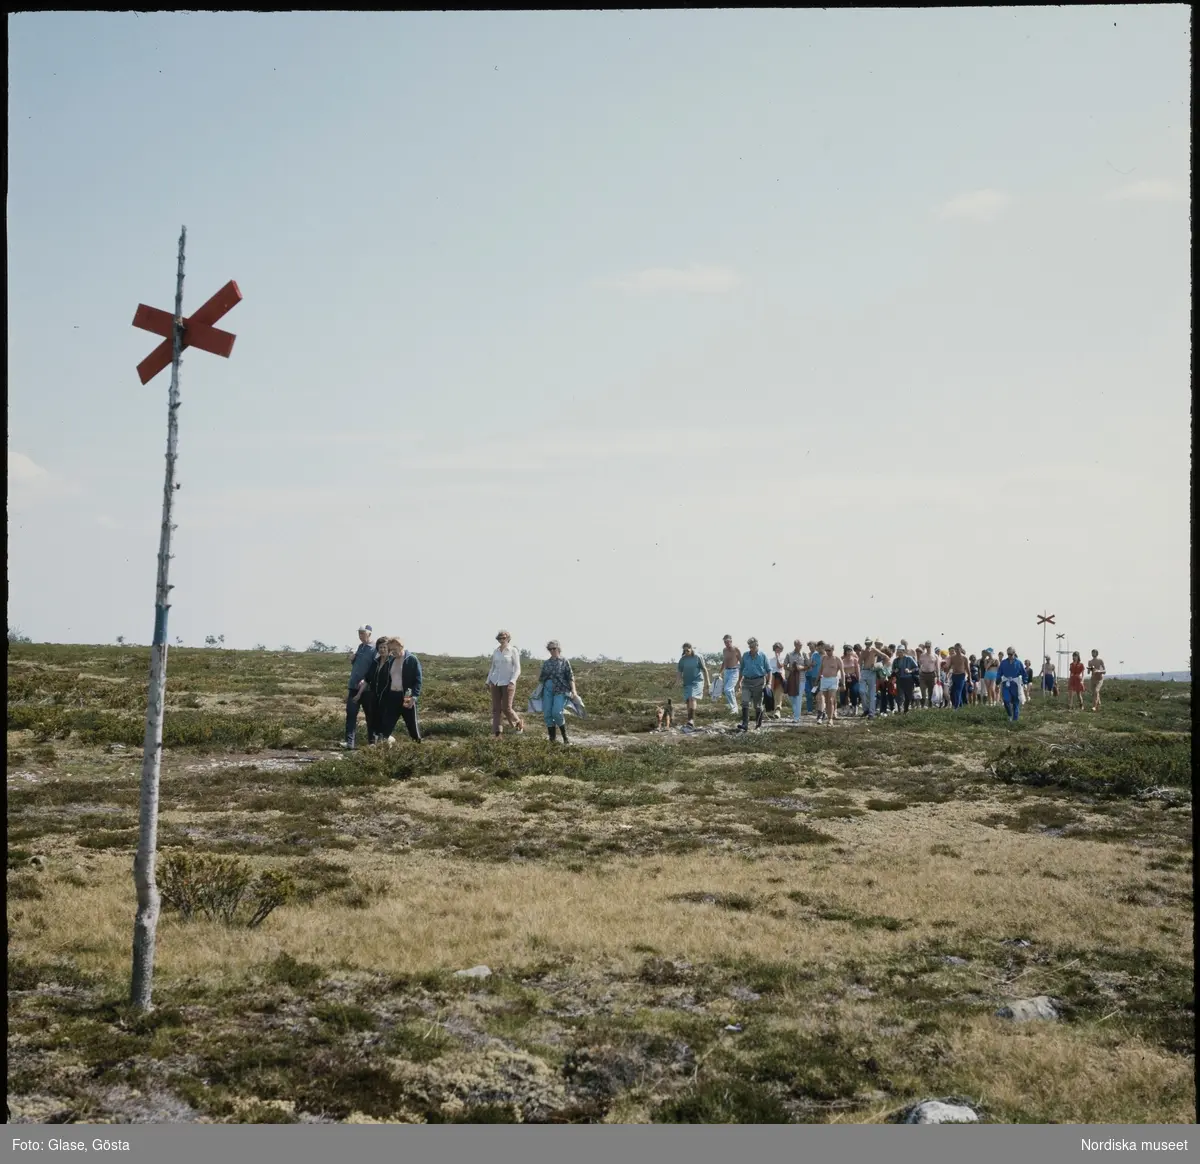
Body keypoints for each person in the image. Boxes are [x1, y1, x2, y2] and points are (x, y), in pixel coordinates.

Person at [378, 637, 423, 742]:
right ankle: (382, 748)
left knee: (412, 724)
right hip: (393, 696)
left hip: (407, 696)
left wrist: (414, 696)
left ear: (401, 646)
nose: (393, 652)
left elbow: (418, 679)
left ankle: (417, 746)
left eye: (394, 649)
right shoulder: (391, 660)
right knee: (387, 723)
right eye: (391, 650)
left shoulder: (411, 659)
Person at [342, 624, 376, 750]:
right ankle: (349, 743)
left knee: (370, 716)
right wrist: (352, 659)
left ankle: (372, 743)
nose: (360, 636)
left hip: (367, 689)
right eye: (359, 633)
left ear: (369, 634)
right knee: (351, 714)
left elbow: (374, 668)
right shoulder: (360, 647)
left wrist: (366, 679)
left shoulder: (374, 649)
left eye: (363, 633)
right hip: (353, 686)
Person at [538, 640, 578, 743]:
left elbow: (570, 676)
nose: (552, 651)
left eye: (554, 648)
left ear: (558, 648)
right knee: (547, 714)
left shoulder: (564, 661)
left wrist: (574, 690)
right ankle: (552, 740)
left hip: (561, 689)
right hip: (548, 690)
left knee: (557, 712)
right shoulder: (546, 663)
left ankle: (565, 737)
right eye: (550, 649)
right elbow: (541, 678)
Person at [486, 630, 524, 737]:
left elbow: (517, 668)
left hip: (508, 682)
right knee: (496, 709)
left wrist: (513, 681)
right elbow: (493, 667)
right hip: (495, 682)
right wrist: (488, 681)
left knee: (506, 708)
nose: (501, 640)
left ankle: (518, 723)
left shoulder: (513, 651)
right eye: (499, 638)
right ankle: (497, 733)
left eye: (503, 638)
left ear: (508, 638)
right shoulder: (496, 651)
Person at [738, 637, 771, 732]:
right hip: (747, 681)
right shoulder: (745, 655)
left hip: (759, 682)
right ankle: (745, 724)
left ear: (757, 645)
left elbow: (769, 670)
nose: (751, 648)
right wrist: (739, 682)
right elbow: (741, 669)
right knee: (745, 703)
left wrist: (769, 683)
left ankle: (758, 725)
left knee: (757, 705)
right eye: (750, 646)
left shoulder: (763, 655)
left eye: (753, 646)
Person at [361, 634, 390, 743]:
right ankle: (372, 742)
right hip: (374, 696)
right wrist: (359, 694)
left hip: (387, 697)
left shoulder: (391, 662)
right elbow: (368, 679)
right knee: (372, 719)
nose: (382, 650)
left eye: (384, 647)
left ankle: (383, 741)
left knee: (384, 721)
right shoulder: (376, 662)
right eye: (380, 647)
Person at [677, 643, 710, 732]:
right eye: (685, 651)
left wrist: (708, 682)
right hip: (687, 682)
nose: (686, 652)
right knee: (688, 701)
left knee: (692, 698)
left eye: (688, 650)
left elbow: (704, 669)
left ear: (691, 649)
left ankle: (691, 720)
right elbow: (680, 671)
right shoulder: (682, 660)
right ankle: (690, 721)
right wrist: (678, 681)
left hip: (697, 681)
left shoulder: (697, 657)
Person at [817, 641, 845, 724]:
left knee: (831, 700)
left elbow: (842, 672)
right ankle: (821, 716)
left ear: (833, 649)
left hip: (833, 680)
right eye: (826, 650)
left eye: (829, 650)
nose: (827, 652)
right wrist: (816, 680)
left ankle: (830, 719)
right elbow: (821, 670)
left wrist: (843, 684)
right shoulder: (823, 658)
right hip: (824, 680)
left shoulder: (837, 659)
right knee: (822, 699)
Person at [997, 646, 1025, 723]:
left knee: (1016, 702)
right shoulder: (1003, 663)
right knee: (1006, 700)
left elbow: (1023, 673)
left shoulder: (1018, 663)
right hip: (1006, 683)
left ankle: (1015, 720)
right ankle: (1010, 715)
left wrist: (1025, 682)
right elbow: (999, 672)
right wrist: (997, 680)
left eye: (1011, 654)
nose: (1009, 656)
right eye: (1008, 654)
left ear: (1014, 653)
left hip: (1015, 684)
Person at [783, 639, 807, 722]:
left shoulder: (804, 654)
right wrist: (791, 668)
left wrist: (801, 667)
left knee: (798, 697)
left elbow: (808, 666)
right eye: (798, 645)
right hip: (791, 678)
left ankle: (796, 717)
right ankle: (796, 712)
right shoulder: (789, 654)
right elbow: (785, 665)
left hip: (801, 678)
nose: (800, 646)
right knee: (791, 696)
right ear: (795, 645)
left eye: (801, 645)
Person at [858, 639, 882, 719]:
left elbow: (885, 657)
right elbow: (859, 662)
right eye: (866, 643)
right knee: (862, 691)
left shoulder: (874, 650)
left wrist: (882, 666)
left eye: (869, 643)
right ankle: (866, 709)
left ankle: (871, 713)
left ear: (872, 643)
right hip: (864, 672)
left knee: (872, 694)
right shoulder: (863, 651)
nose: (868, 644)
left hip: (872, 672)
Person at [719, 635, 741, 714]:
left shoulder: (736, 650)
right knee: (729, 691)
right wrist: (720, 673)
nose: (727, 643)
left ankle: (734, 708)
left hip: (734, 671)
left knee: (728, 689)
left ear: (731, 641)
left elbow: (741, 662)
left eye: (728, 642)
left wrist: (741, 679)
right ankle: (734, 709)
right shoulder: (724, 650)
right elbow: (724, 662)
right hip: (726, 672)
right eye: (725, 642)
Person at [896, 644, 919, 713]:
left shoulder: (909, 658)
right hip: (899, 679)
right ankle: (901, 710)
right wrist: (895, 670)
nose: (899, 653)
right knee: (899, 695)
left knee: (908, 695)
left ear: (904, 651)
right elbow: (893, 669)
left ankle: (906, 710)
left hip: (908, 679)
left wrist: (910, 671)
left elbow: (916, 667)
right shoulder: (896, 660)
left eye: (901, 651)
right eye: (898, 651)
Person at [948, 644, 970, 709]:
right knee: (952, 691)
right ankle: (960, 706)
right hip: (954, 675)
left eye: (958, 649)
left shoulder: (964, 658)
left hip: (961, 676)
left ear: (961, 649)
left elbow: (968, 669)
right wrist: (947, 675)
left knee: (958, 691)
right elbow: (949, 666)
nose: (956, 650)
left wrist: (970, 678)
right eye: (955, 649)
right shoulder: (953, 657)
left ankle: (956, 707)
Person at [768, 642, 787, 719]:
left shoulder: (783, 659)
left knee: (778, 694)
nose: (777, 650)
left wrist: (778, 657)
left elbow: (779, 666)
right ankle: (772, 711)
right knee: (772, 694)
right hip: (772, 677)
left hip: (779, 677)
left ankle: (777, 710)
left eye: (779, 649)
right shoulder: (770, 660)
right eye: (776, 649)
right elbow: (768, 670)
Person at [917, 641, 938, 709]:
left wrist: (938, 677)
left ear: (931, 646)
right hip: (923, 675)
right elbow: (919, 664)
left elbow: (937, 667)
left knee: (931, 691)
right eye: (926, 646)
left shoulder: (935, 656)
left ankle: (930, 705)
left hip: (931, 675)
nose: (927, 648)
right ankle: (922, 705)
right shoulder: (922, 655)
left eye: (928, 646)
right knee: (922, 690)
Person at [805, 642, 823, 718]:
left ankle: (820, 709)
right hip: (811, 677)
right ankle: (812, 709)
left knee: (819, 693)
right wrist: (811, 664)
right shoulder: (810, 655)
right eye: (809, 647)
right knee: (812, 693)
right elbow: (809, 665)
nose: (810, 648)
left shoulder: (818, 654)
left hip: (819, 677)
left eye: (812, 647)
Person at [842, 644, 861, 716]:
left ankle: (855, 707)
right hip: (846, 677)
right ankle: (846, 709)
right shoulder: (843, 660)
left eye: (850, 650)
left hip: (853, 677)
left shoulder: (855, 659)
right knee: (844, 693)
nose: (849, 651)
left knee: (854, 692)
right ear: (845, 651)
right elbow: (841, 670)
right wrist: (843, 676)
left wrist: (859, 679)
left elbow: (857, 670)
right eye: (848, 650)